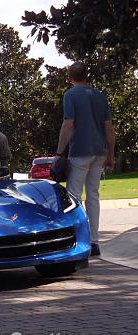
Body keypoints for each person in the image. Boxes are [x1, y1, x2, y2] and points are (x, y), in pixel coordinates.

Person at [56, 62, 114, 257]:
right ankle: (94, 241)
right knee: (93, 196)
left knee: (73, 195)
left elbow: (68, 124)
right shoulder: (100, 95)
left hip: (80, 150)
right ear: (86, 75)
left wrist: (59, 152)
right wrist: (110, 154)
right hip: (99, 151)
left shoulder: (70, 95)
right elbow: (108, 128)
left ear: (70, 77)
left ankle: (77, 239)